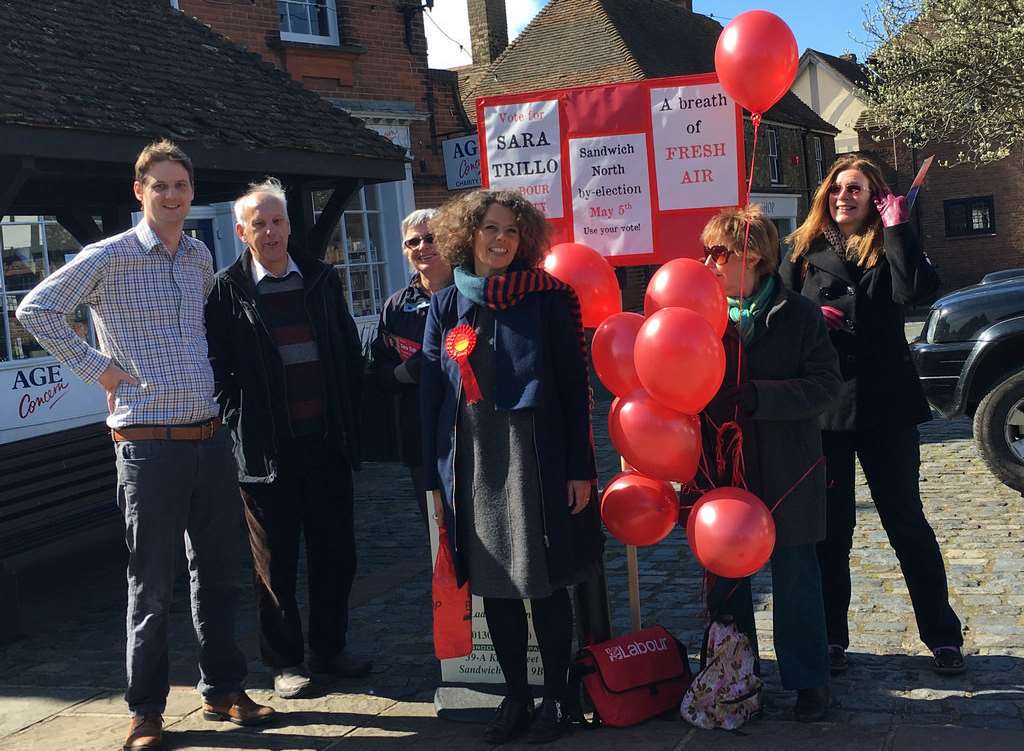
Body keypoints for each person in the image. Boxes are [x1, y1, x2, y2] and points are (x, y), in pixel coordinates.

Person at [16, 140, 273, 751]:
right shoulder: (109, 256)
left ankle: (224, 688)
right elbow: (36, 309)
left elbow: (206, 330)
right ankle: (146, 711)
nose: (173, 196)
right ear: (140, 192)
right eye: (160, 186)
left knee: (217, 575)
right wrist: (98, 368)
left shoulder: (198, 256)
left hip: (208, 438)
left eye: (181, 185)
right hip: (147, 444)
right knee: (152, 586)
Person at [420, 190, 603, 744]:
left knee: (543, 583)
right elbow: (432, 393)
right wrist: (433, 478)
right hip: (473, 461)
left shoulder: (550, 299)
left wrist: (580, 468)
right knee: (493, 586)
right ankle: (516, 699)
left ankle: (557, 697)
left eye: (511, 231)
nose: (500, 240)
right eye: (490, 229)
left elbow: (576, 391)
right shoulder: (446, 304)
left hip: (536, 457)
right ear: (467, 235)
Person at [781, 154, 965, 675]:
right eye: (837, 188)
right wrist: (811, 316)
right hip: (826, 409)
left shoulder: (892, 241)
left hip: (887, 405)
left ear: (874, 195)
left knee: (906, 523)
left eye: (856, 189)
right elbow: (779, 312)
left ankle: (943, 636)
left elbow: (915, 294)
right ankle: (832, 638)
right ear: (826, 194)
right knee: (831, 531)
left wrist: (899, 228)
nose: (844, 196)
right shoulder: (801, 249)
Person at [204, 178, 370, 700]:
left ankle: (330, 648)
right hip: (266, 453)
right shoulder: (225, 289)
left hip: (326, 444)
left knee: (336, 554)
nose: (271, 231)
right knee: (275, 565)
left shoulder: (321, 278)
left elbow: (344, 350)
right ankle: (286, 663)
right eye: (260, 223)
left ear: (290, 226)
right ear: (241, 231)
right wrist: (241, 422)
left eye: (278, 221)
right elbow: (217, 370)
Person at [694, 205, 842, 722]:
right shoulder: (699, 318)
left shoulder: (797, 314)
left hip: (789, 468)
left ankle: (808, 681)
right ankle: (737, 679)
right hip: (725, 469)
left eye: (716, 252)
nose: (705, 263)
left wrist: (758, 396)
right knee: (728, 580)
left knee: (796, 575)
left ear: (751, 256)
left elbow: (825, 386)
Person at [370, 208, 452, 526]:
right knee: (436, 530)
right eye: (413, 241)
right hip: (419, 437)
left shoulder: (472, 294)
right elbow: (380, 369)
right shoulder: (395, 305)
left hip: (469, 435)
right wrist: (405, 373)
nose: (422, 247)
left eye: (431, 238)